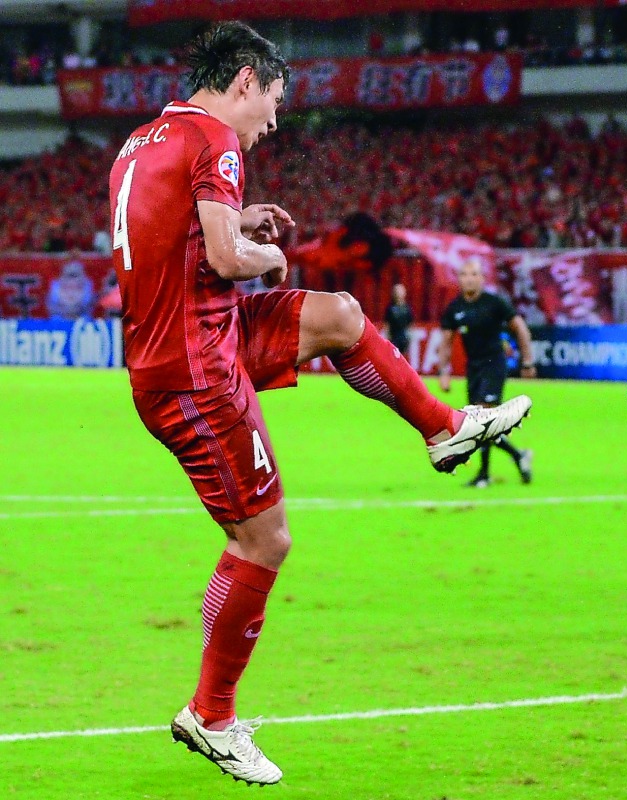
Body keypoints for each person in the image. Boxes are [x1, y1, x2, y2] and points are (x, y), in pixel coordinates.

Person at [108, 22, 530, 786]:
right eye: (270, 105)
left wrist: (241, 218)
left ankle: (445, 429)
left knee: (337, 313)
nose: (270, 124)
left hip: (199, 338)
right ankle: (212, 714)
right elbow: (225, 260)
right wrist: (267, 252)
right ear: (243, 80)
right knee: (263, 541)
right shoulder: (218, 140)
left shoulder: (145, 140)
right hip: (194, 370)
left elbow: (181, 237)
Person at [436, 259, 535, 488]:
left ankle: (484, 474)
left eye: (473, 274)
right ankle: (519, 456)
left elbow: (520, 328)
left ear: (482, 278)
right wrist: (444, 372)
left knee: (483, 419)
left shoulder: (495, 303)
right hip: (474, 368)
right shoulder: (455, 308)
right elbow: (447, 341)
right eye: (464, 274)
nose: (469, 278)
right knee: (477, 424)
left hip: (494, 365)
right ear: (459, 279)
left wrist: (527, 361)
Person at [384, 282, 413, 355]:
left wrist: (409, 337)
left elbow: (410, 324)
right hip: (394, 337)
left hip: (404, 337)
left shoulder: (407, 308)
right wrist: (387, 338)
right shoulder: (390, 308)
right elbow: (387, 325)